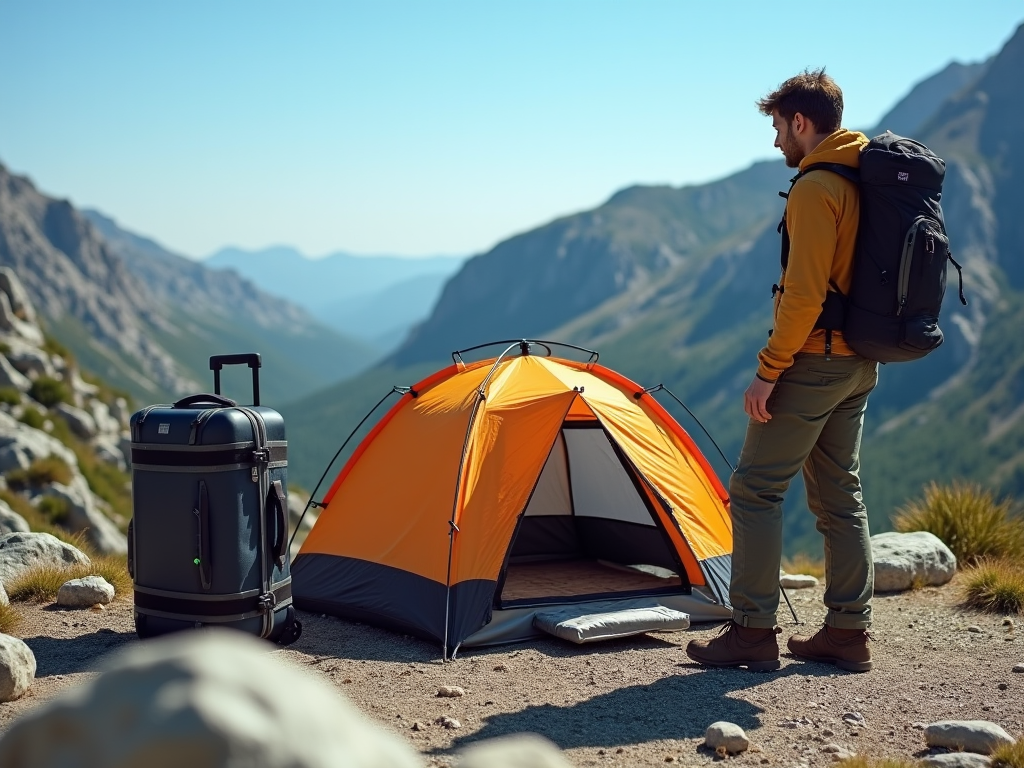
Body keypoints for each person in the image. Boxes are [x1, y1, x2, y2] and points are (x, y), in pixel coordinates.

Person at [686, 69, 878, 673]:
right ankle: (848, 634)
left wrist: (769, 370)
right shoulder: (864, 173)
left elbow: (803, 294)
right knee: (839, 494)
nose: (775, 142)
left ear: (801, 122)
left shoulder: (817, 186)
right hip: (860, 360)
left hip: (814, 360)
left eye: (777, 127)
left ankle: (751, 632)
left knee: (754, 490)